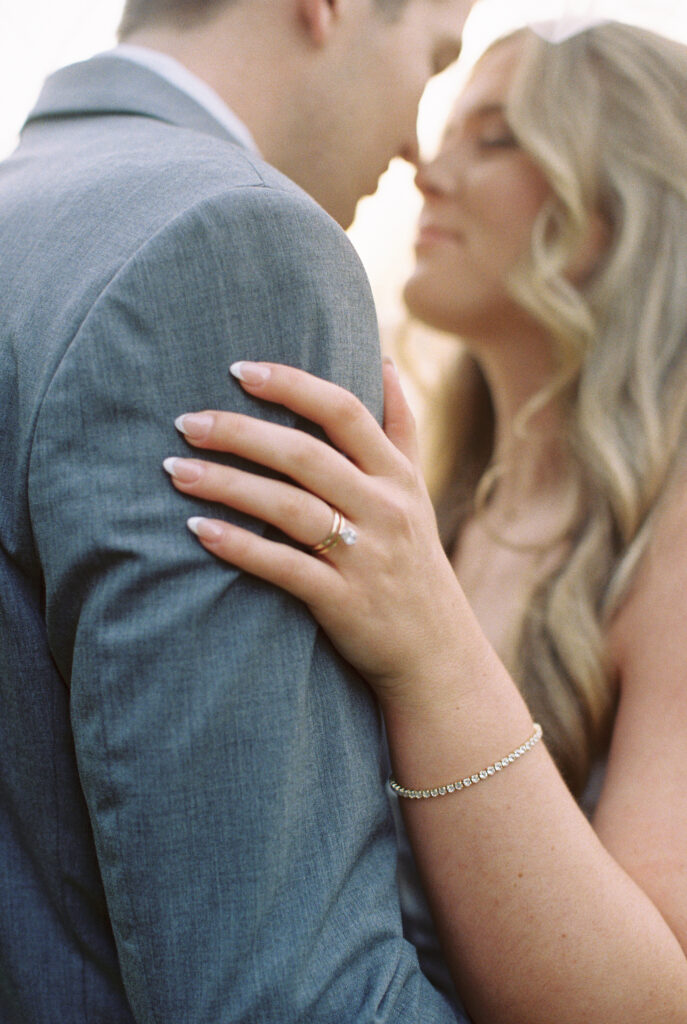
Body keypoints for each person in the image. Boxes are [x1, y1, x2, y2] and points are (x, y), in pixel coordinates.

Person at [163, 19, 687, 1022]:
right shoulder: (442, 496)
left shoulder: (672, 528)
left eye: (494, 137)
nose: (426, 168)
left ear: (623, 208)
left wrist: (429, 645)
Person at [0, 1, 471, 1021]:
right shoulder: (232, 241)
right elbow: (289, 998)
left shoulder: (29, 208)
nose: (413, 145)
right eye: (433, 65)